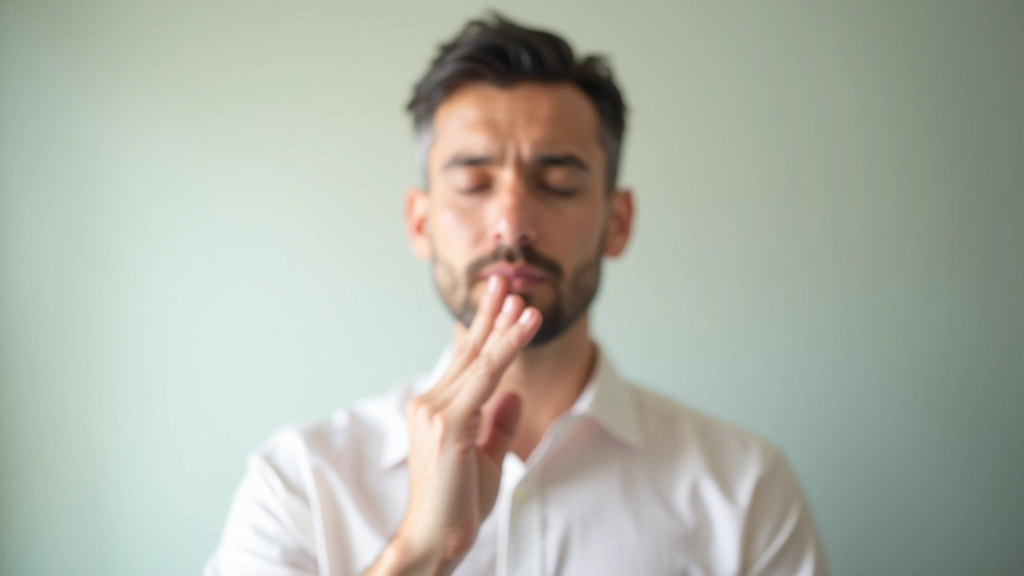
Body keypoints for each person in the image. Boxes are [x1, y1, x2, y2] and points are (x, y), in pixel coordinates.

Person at [205, 12, 829, 576]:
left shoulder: (746, 488)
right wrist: (421, 550)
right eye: (474, 183)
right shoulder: (299, 482)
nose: (512, 220)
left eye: (556, 182)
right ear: (420, 223)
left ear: (618, 221)